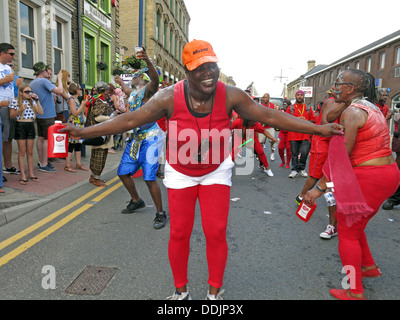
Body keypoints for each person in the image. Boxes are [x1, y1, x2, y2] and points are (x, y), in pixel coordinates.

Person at [61, 39, 343, 300]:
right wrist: (83, 132)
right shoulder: (168, 97)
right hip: (180, 171)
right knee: (180, 233)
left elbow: (269, 115)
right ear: (187, 71)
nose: (209, 73)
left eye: (213, 66)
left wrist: (318, 128)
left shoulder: (231, 95)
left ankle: (213, 294)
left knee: (216, 232)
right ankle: (181, 293)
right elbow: (130, 120)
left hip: (216, 170)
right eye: (200, 68)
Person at [303, 68, 400, 300]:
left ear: (351, 89)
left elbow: (340, 159)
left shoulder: (353, 112)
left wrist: (318, 189)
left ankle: (353, 291)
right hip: (388, 173)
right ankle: (367, 267)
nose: (334, 87)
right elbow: (328, 118)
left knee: (346, 231)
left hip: (370, 175)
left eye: (338, 83)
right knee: (355, 224)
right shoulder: (372, 107)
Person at [114, 47, 166, 229]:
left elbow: (155, 79)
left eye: (135, 74)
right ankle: (136, 200)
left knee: (149, 177)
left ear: (142, 78)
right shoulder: (135, 93)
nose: (132, 76)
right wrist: (120, 82)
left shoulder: (149, 91)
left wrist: (148, 62)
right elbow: (128, 91)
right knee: (122, 172)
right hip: (136, 139)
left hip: (151, 138)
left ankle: (160, 213)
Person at [295, 91, 340, 239]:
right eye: (336, 84)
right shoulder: (333, 102)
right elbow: (326, 125)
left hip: (337, 149)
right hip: (324, 146)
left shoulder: (354, 106)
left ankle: (336, 224)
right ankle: (302, 197)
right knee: (322, 180)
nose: (335, 87)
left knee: (332, 185)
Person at [30, 62, 69, 172]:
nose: (48, 73)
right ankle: (44, 163)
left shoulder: (33, 82)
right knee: (47, 139)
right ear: (44, 71)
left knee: (41, 138)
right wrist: (60, 79)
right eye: (47, 70)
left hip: (39, 114)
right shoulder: (44, 81)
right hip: (47, 114)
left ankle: (41, 162)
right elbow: (60, 91)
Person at [9, 84, 43, 184]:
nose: (29, 94)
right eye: (26, 92)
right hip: (20, 125)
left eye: (30, 92)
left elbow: (41, 112)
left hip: (30, 125)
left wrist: (37, 100)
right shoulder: (15, 101)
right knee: (21, 152)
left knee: (30, 151)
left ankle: (31, 173)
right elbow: (11, 116)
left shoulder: (32, 101)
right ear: (20, 92)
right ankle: (22, 175)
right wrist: (19, 110)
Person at [84, 81, 114, 187]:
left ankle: (93, 176)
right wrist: (111, 118)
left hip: (99, 133)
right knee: (99, 156)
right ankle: (96, 178)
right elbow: (98, 117)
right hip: (100, 133)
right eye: (107, 91)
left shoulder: (97, 100)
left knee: (96, 155)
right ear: (104, 91)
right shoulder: (99, 102)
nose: (109, 93)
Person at [0, 43, 20, 176]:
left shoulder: (9, 68)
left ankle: (8, 166)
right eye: (11, 53)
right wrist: (3, 80)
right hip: (1, 105)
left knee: (8, 138)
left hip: (9, 107)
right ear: (2, 53)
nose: (13, 56)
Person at [286, 90, 316, 178]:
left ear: (303, 97)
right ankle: (294, 170)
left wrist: (305, 121)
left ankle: (302, 168)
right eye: (298, 95)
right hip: (293, 134)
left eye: (301, 95)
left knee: (304, 152)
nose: (299, 96)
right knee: (294, 153)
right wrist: (297, 119)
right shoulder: (291, 108)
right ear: (295, 96)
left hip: (305, 134)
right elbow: (286, 119)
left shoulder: (308, 108)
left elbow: (313, 120)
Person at [64, 82, 88, 173]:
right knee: (72, 144)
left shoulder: (76, 99)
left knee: (78, 144)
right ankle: (67, 165)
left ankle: (78, 164)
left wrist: (84, 105)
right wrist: (82, 105)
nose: (80, 90)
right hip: (74, 123)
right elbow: (74, 113)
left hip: (79, 123)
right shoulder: (71, 100)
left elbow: (82, 111)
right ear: (75, 90)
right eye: (79, 89)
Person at [259, 93, 277, 160]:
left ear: (269, 98)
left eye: (266, 97)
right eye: (264, 98)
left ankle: (272, 153)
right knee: (260, 142)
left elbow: (276, 116)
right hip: (262, 126)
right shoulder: (260, 106)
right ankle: (261, 155)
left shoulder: (273, 106)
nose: (265, 99)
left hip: (270, 127)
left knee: (272, 141)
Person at [277, 99, 292, 168]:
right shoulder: (280, 111)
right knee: (280, 147)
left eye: (286, 104)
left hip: (289, 132)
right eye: (284, 104)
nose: (284, 106)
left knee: (289, 148)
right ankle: (283, 161)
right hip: (282, 132)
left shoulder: (291, 112)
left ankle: (288, 163)